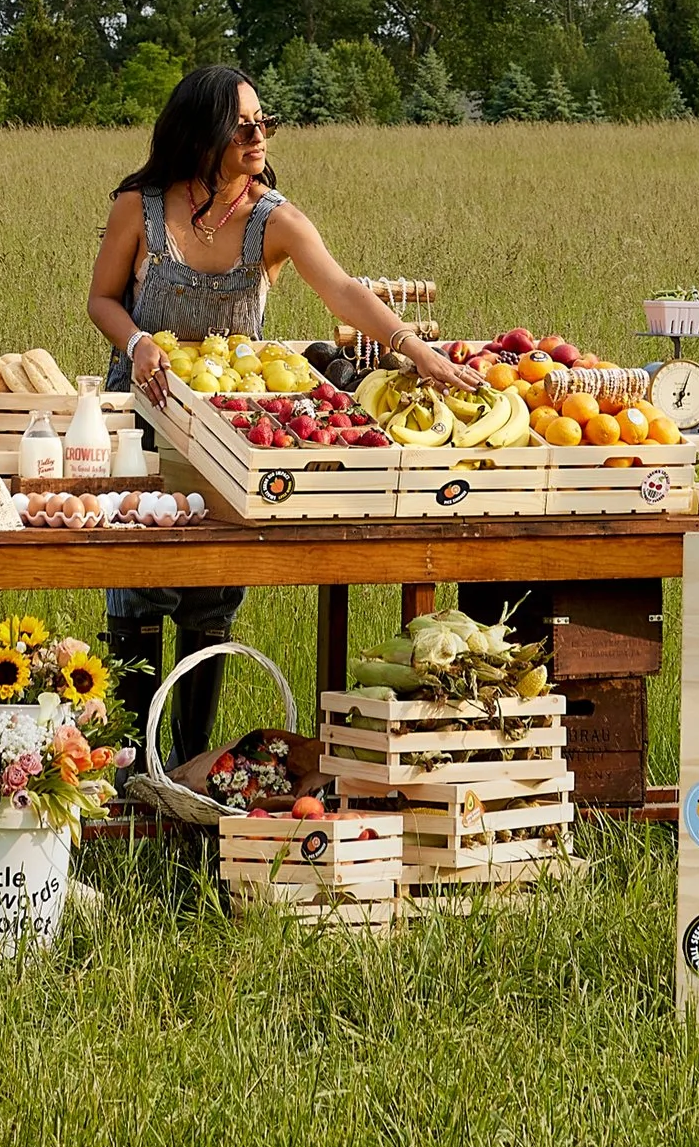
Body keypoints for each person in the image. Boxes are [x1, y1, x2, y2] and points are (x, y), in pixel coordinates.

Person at [84, 64, 467, 772]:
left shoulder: (274, 220)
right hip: (142, 424)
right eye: (243, 125)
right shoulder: (138, 208)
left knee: (211, 591)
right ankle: (130, 767)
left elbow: (343, 289)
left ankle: (190, 763)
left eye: (264, 123)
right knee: (134, 584)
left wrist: (414, 349)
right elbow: (103, 301)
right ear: (202, 135)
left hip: (233, 433)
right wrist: (137, 343)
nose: (259, 137)